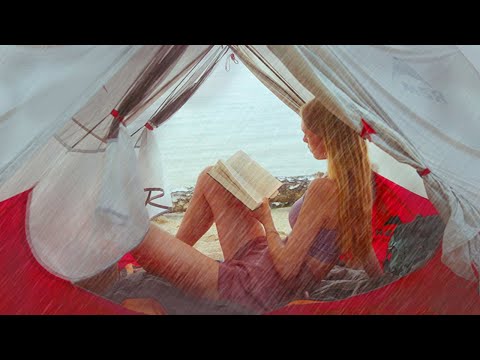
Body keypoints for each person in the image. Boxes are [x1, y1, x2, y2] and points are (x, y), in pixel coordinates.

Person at [130, 97, 384, 313]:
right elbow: (364, 246)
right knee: (212, 177)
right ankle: (168, 261)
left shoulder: (324, 190)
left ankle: (162, 263)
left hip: (256, 288)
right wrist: (384, 284)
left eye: (307, 132)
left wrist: (267, 218)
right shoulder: (358, 183)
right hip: (264, 261)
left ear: (327, 137)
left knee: (137, 233)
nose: (303, 138)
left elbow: (286, 269)